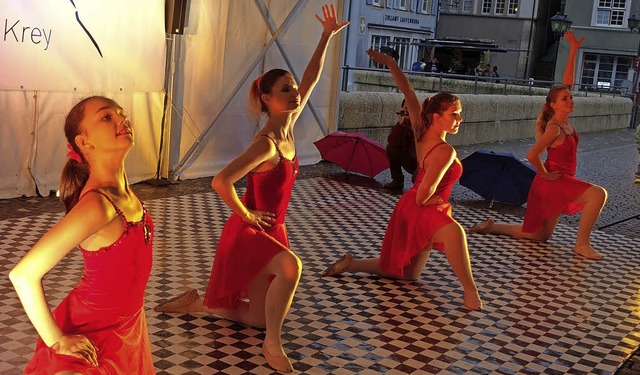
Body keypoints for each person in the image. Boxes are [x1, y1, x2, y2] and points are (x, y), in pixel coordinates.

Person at [153, 4, 348, 373]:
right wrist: (246, 214)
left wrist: (325, 38)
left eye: (293, 89)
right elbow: (219, 181)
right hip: (249, 231)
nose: (294, 94)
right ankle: (272, 346)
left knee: (257, 317)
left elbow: (312, 77)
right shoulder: (266, 143)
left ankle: (198, 304)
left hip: (273, 229)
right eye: (285, 90)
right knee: (291, 269)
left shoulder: (288, 125)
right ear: (267, 100)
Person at [323, 49, 483, 312]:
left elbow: (408, 92)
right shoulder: (445, 151)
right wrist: (438, 205)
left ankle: (352, 264)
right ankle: (471, 293)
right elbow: (424, 195)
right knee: (455, 233)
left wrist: (390, 63)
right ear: (436, 117)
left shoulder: (421, 133)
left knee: (407, 274)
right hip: (422, 206)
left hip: (409, 207)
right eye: (454, 114)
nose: (459, 119)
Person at [9, 96, 155, 374]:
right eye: (107, 117)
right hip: (93, 329)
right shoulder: (98, 205)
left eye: (121, 113)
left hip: (128, 325)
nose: (122, 120)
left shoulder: (122, 192)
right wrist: (57, 339)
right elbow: (23, 274)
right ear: (84, 142)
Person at [467, 31, 607, 261]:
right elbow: (532, 154)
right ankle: (582, 245)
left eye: (570, 98)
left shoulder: (564, 121)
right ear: (553, 105)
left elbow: (568, 82)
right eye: (565, 99)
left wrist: (572, 50)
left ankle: (492, 226)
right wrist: (545, 174)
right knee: (598, 194)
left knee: (539, 235)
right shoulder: (554, 128)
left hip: (559, 182)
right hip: (552, 182)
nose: (570, 100)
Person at [384, 99, 417, 189]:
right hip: (408, 159)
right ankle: (397, 180)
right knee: (391, 148)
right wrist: (401, 122)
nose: (407, 110)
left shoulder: (420, 124)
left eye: (410, 108)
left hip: (421, 163)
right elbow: (392, 141)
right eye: (405, 108)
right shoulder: (402, 124)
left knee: (417, 179)